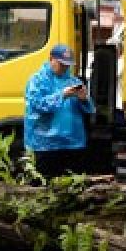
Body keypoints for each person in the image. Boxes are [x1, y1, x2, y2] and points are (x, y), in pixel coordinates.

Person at [23, 43, 95, 179]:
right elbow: (38, 105)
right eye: (61, 64)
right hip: (45, 145)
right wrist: (62, 95)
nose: (65, 67)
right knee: (44, 186)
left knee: (72, 185)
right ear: (51, 59)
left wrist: (84, 99)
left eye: (67, 65)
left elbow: (89, 110)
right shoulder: (37, 80)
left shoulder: (73, 81)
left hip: (72, 144)